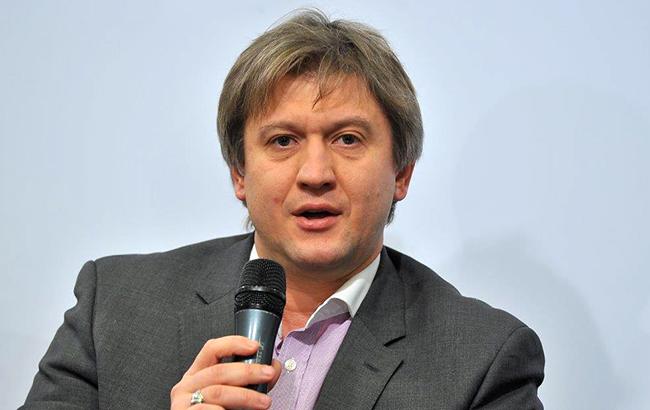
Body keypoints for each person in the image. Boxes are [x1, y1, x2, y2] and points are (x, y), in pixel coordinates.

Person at [23, 9, 544, 410]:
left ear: (401, 173)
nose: (315, 173)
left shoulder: (481, 360)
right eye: (283, 141)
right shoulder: (114, 306)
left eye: (347, 138)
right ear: (239, 174)